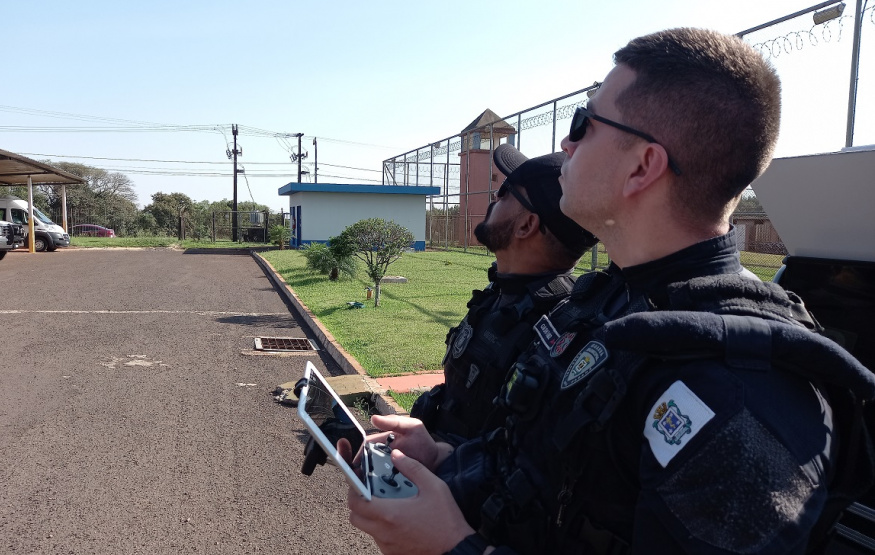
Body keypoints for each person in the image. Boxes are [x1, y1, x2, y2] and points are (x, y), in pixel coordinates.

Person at [345, 27, 875, 554]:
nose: (565, 143)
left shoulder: (739, 395)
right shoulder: (605, 301)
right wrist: (440, 457)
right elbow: (537, 465)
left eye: (584, 123)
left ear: (643, 165)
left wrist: (450, 547)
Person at [410, 144, 597, 445]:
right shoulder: (503, 291)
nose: (495, 196)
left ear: (527, 225)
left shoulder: (559, 333)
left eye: (507, 190)